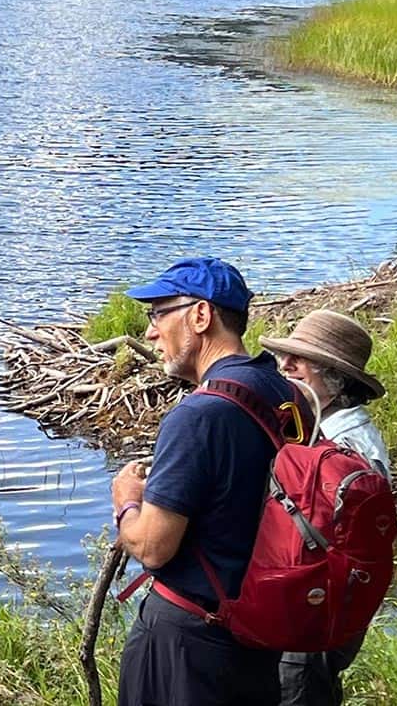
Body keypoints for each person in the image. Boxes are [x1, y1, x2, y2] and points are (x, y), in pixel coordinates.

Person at [106, 257, 303, 706]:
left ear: (200, 315)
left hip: (189, 640)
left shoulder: (198, 414)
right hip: (261, 629)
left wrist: (126, 502)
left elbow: (153, 546)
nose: (151, 332)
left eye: (159, 314)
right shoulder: (285, 392)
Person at [266, 310, 389, 706]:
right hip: (304, 608)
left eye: (298, 361)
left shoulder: (350, 449)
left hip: (313, 613)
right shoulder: (317, 431)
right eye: (286, 357)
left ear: (334, 379)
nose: (285, 367)